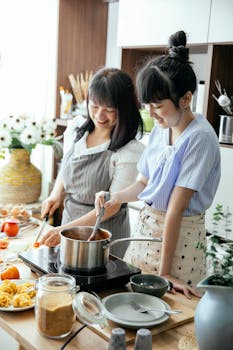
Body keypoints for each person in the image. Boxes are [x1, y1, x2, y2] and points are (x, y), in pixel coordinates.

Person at [95, 31, 221, 298]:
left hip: (179, 243)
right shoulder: (162, 129)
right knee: (133, 306)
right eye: (146, 105)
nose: (150, 114)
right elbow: (144, 183)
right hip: (146, 232)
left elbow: (175, 209)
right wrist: (113, 196)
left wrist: (165, 272)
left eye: (157, 106)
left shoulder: (200, 138)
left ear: (185, 99)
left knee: (172, 319)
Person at [40, 67, 144, 258]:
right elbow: (67, 165)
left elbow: (111, 206)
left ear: (124, 109)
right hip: (71, 219)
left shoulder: (129, 151)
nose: (99, 116)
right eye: (94, 106)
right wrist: (56, 194)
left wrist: (63, 230)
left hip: (105, 234)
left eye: (109, 110)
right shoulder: (77, 129)